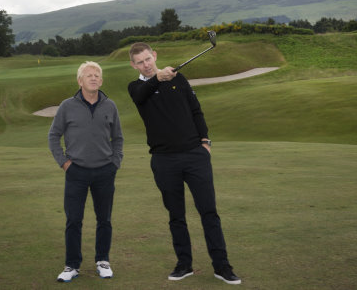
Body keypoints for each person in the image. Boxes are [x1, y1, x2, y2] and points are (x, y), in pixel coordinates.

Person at [128, 42, 241, 285]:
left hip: (194, 155)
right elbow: (142, 94)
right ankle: (184, 264)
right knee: (176, 215)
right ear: (133, 65)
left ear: (154, 55)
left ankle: (222, 266)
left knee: (209, 212)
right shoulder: (136, 87)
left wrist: (205, 142)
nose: (145, 64)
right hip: (163, 160)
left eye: (148, 59)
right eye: (140, 62)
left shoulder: (179, 80)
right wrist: (158, 78)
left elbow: (196, 111)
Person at [49, 61, 124, 283]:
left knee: (105, 219)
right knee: (73, 220)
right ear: (80, 81)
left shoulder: (110, 105)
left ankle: (103, 261)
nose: (93, 78)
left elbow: (118, 138)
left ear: (101, 80)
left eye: (97, 75)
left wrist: (115, 162)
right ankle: (72, 265)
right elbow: (53, 136)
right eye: (88, 75)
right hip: (76, 172)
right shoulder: (66, 106)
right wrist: (64, 163)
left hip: (104, 171)